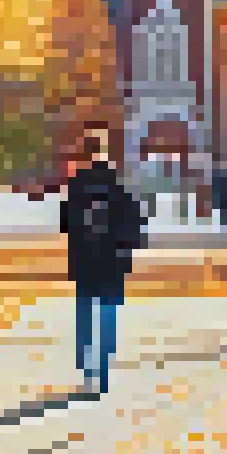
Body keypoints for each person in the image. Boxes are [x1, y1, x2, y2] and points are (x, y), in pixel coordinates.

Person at [61, 125, 144, 394]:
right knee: (108, 314)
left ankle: (86, 367)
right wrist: (127, 251)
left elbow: (65, 224)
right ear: (106, 152)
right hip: (112, 260)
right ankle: (104, 369)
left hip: (85, 259)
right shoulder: (119, 184)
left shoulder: (76, 186)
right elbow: (135, 224)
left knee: (85, 312)